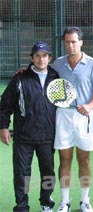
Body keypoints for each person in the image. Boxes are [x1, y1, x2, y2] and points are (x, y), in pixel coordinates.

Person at [51, 27, 93, 212]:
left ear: (81, 42)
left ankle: (84, 201)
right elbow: (41, 70)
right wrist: (25, 70)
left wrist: (90, 105)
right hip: (63, 116)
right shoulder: (57, 64)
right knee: (64, 160)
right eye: (67, 42)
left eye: (74, 41)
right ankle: (64, 202)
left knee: (84, 160)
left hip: (85, 117)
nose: (70, 45)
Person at [0, 41, 58, 212]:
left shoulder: (56, 77)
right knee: (22, 175)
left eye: (44, 56)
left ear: (49, 58)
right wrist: (3, 127)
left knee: (48, 173)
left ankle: (46, 202)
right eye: (37, 56)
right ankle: (22, 206)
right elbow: (5, 104)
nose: (41, 59)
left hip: (48, 136)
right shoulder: (20, 78)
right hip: (24, 136)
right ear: (31, 58)